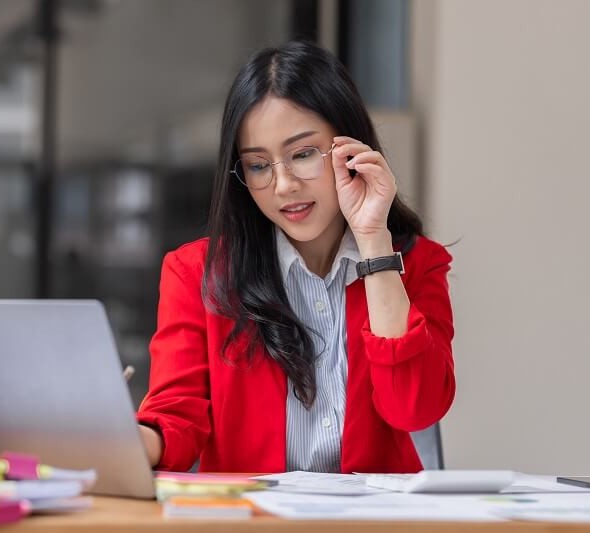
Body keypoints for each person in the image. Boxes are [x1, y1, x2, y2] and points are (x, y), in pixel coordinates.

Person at [136, 40, 455, 474]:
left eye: (303, 154)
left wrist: (375, 242)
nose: (283, 185)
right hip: (248, 521)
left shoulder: (417, 264)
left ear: (352, 148)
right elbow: (176, 420)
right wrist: (122, 440)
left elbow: (415, 409)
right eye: (258, 165)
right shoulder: (198, 274)